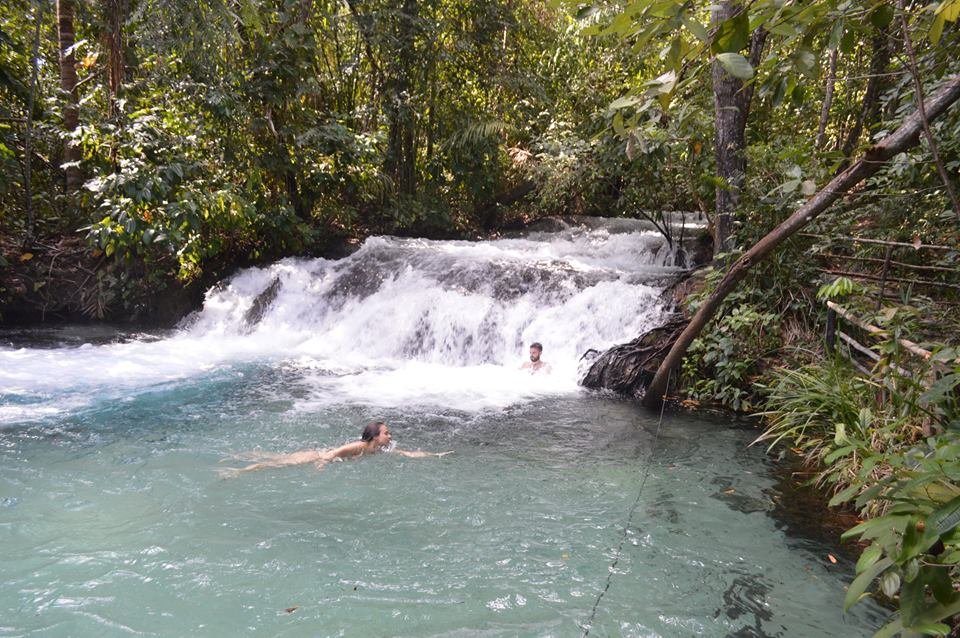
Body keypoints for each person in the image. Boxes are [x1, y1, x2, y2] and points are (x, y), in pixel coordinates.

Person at [220, 422, 452, 475]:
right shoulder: (358, 446)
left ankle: (237, 455)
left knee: (277, 457)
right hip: (316, 456)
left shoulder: (380, 449)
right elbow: (333, 454)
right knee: (277, 463)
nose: (390, 436)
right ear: (374, 436)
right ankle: (239, 470)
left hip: (322, 455)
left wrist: (435, 455)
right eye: (386, 433)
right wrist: (320, 465)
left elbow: (408, 454)